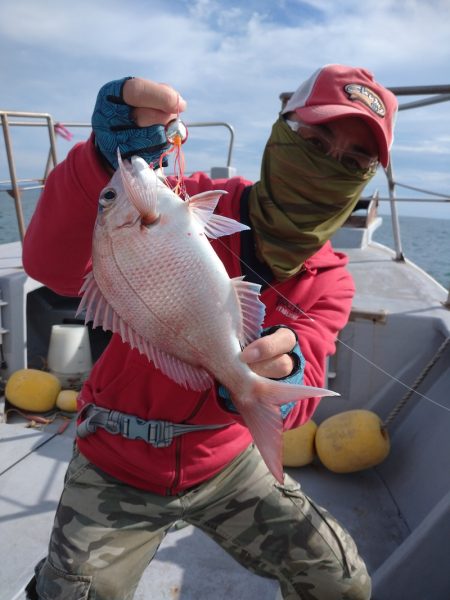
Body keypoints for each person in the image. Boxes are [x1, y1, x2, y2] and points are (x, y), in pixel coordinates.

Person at [23, 64, 397, 600]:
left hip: (227, 461)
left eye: (354, 159)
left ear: (364, 179)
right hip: (117, 459)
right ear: (280, 134)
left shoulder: (331, 279)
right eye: (315, 140)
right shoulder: (194, 198)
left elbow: (308, 369)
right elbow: (52, 264)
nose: (328, 163)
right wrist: (101, 162)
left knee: (342, 583)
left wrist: (282, 377)